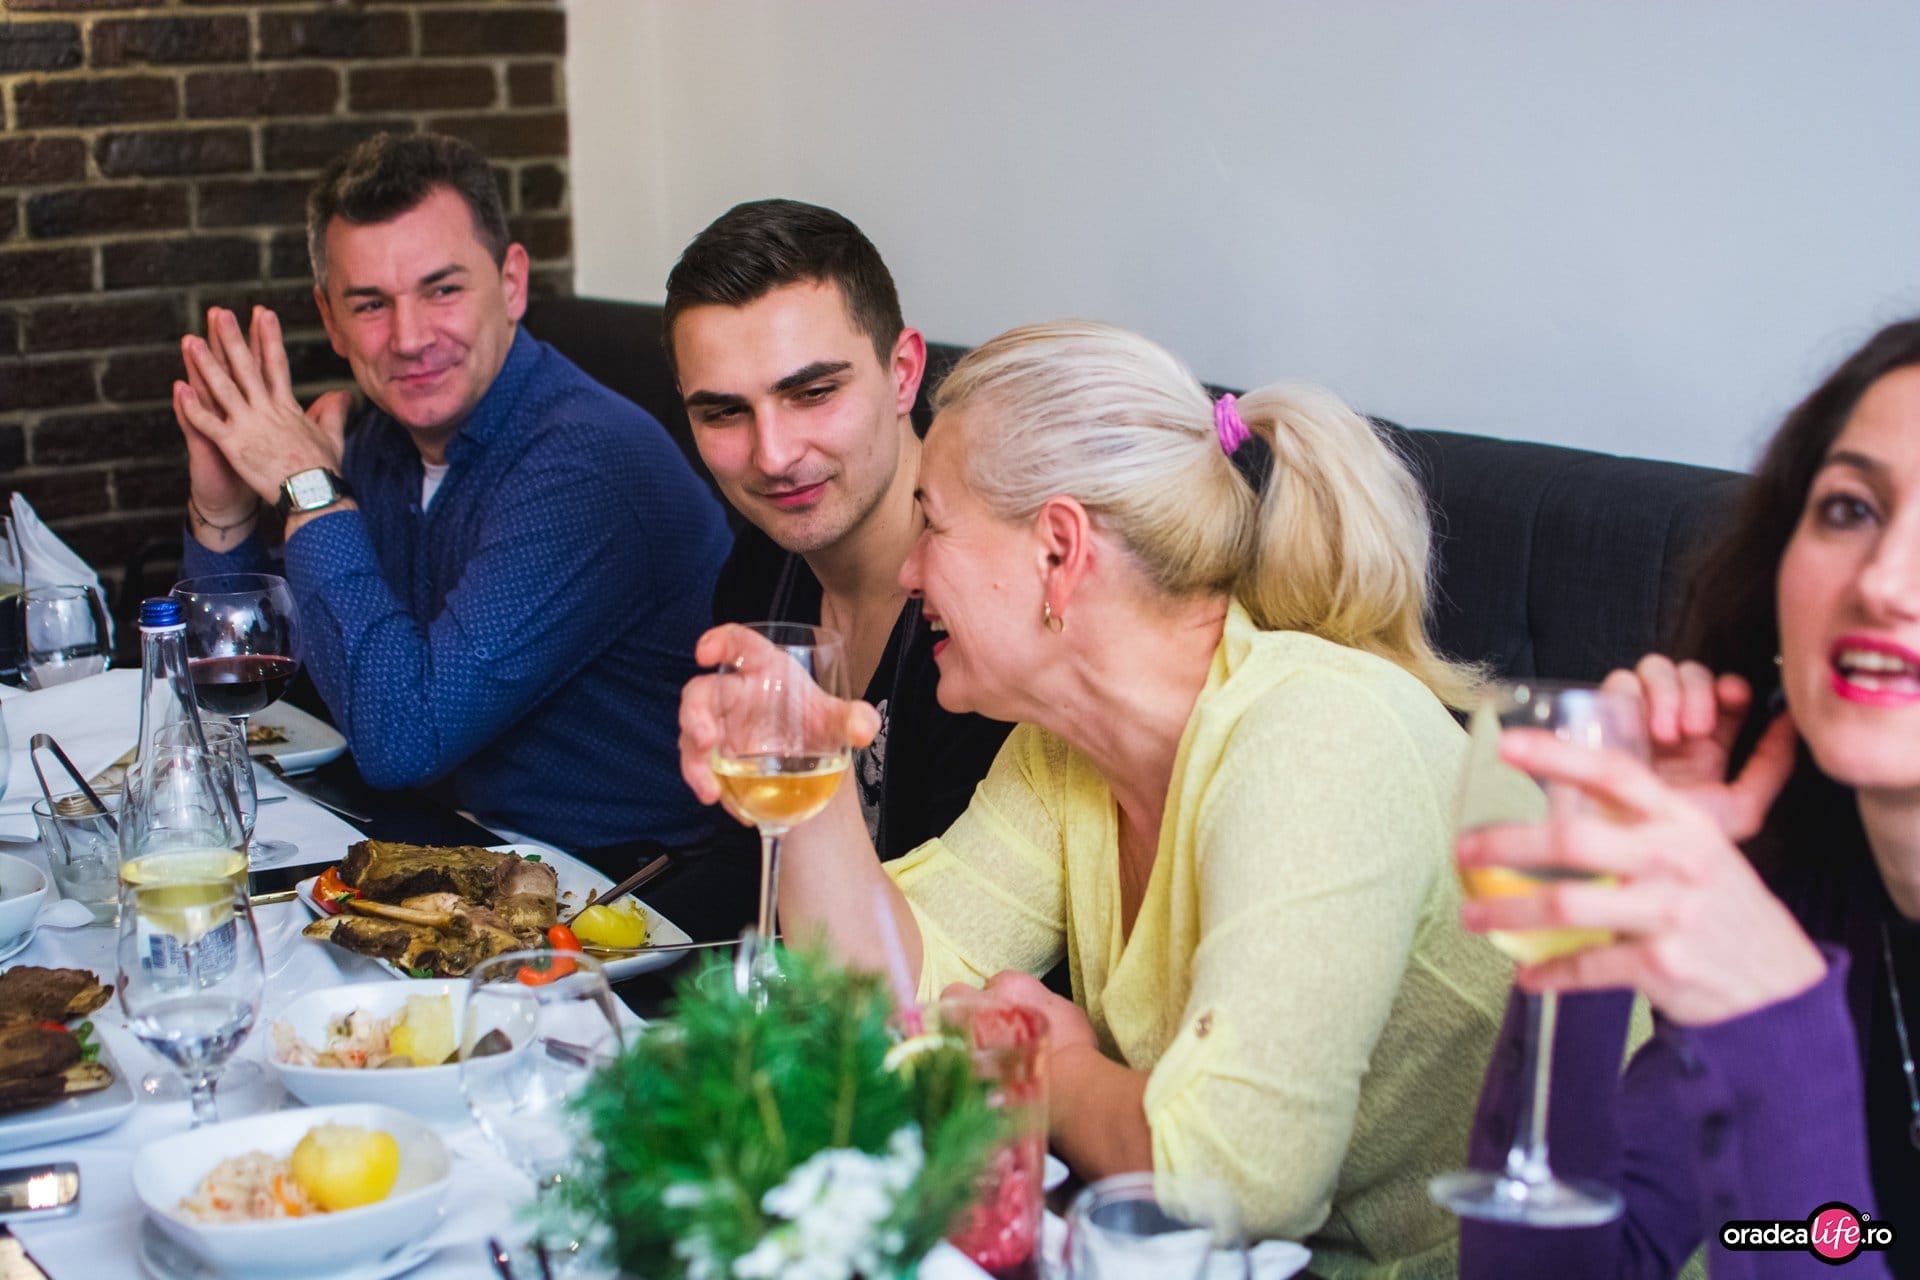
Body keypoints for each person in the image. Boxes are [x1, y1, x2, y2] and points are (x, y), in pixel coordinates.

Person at [680, 320, 1516, 1278]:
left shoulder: (1316, 735)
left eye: (931, 525)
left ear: (1059, 549)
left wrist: (1051, 1069)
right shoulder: (1062, 755)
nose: (908, 574)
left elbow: (1235, 1179)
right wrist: (807, 775)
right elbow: (883, 1005)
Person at [1455, 319, 1920, 1277]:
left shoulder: (1781, 967)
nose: (1882, 582)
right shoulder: (1812, 899)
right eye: (1850, 509)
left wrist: (1781, 1031)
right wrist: (1607, 884)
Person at [172, 132, 731, 851]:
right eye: (370, 304)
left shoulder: (585, 464)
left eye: (442, 290)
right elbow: (292, 680)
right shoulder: (380, 442)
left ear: (512, 283)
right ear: (331, 320)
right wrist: (224, 513)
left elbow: (403, 739)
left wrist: (311, 492)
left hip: (634, 891)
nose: (409, 338)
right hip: (451, 854)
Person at [662, 199, 1011, 858]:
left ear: (902, 374)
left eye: (813, 393)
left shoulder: (990, 604)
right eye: (724, 413)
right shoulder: (757, 573)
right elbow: (754, 866)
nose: (773, 456)